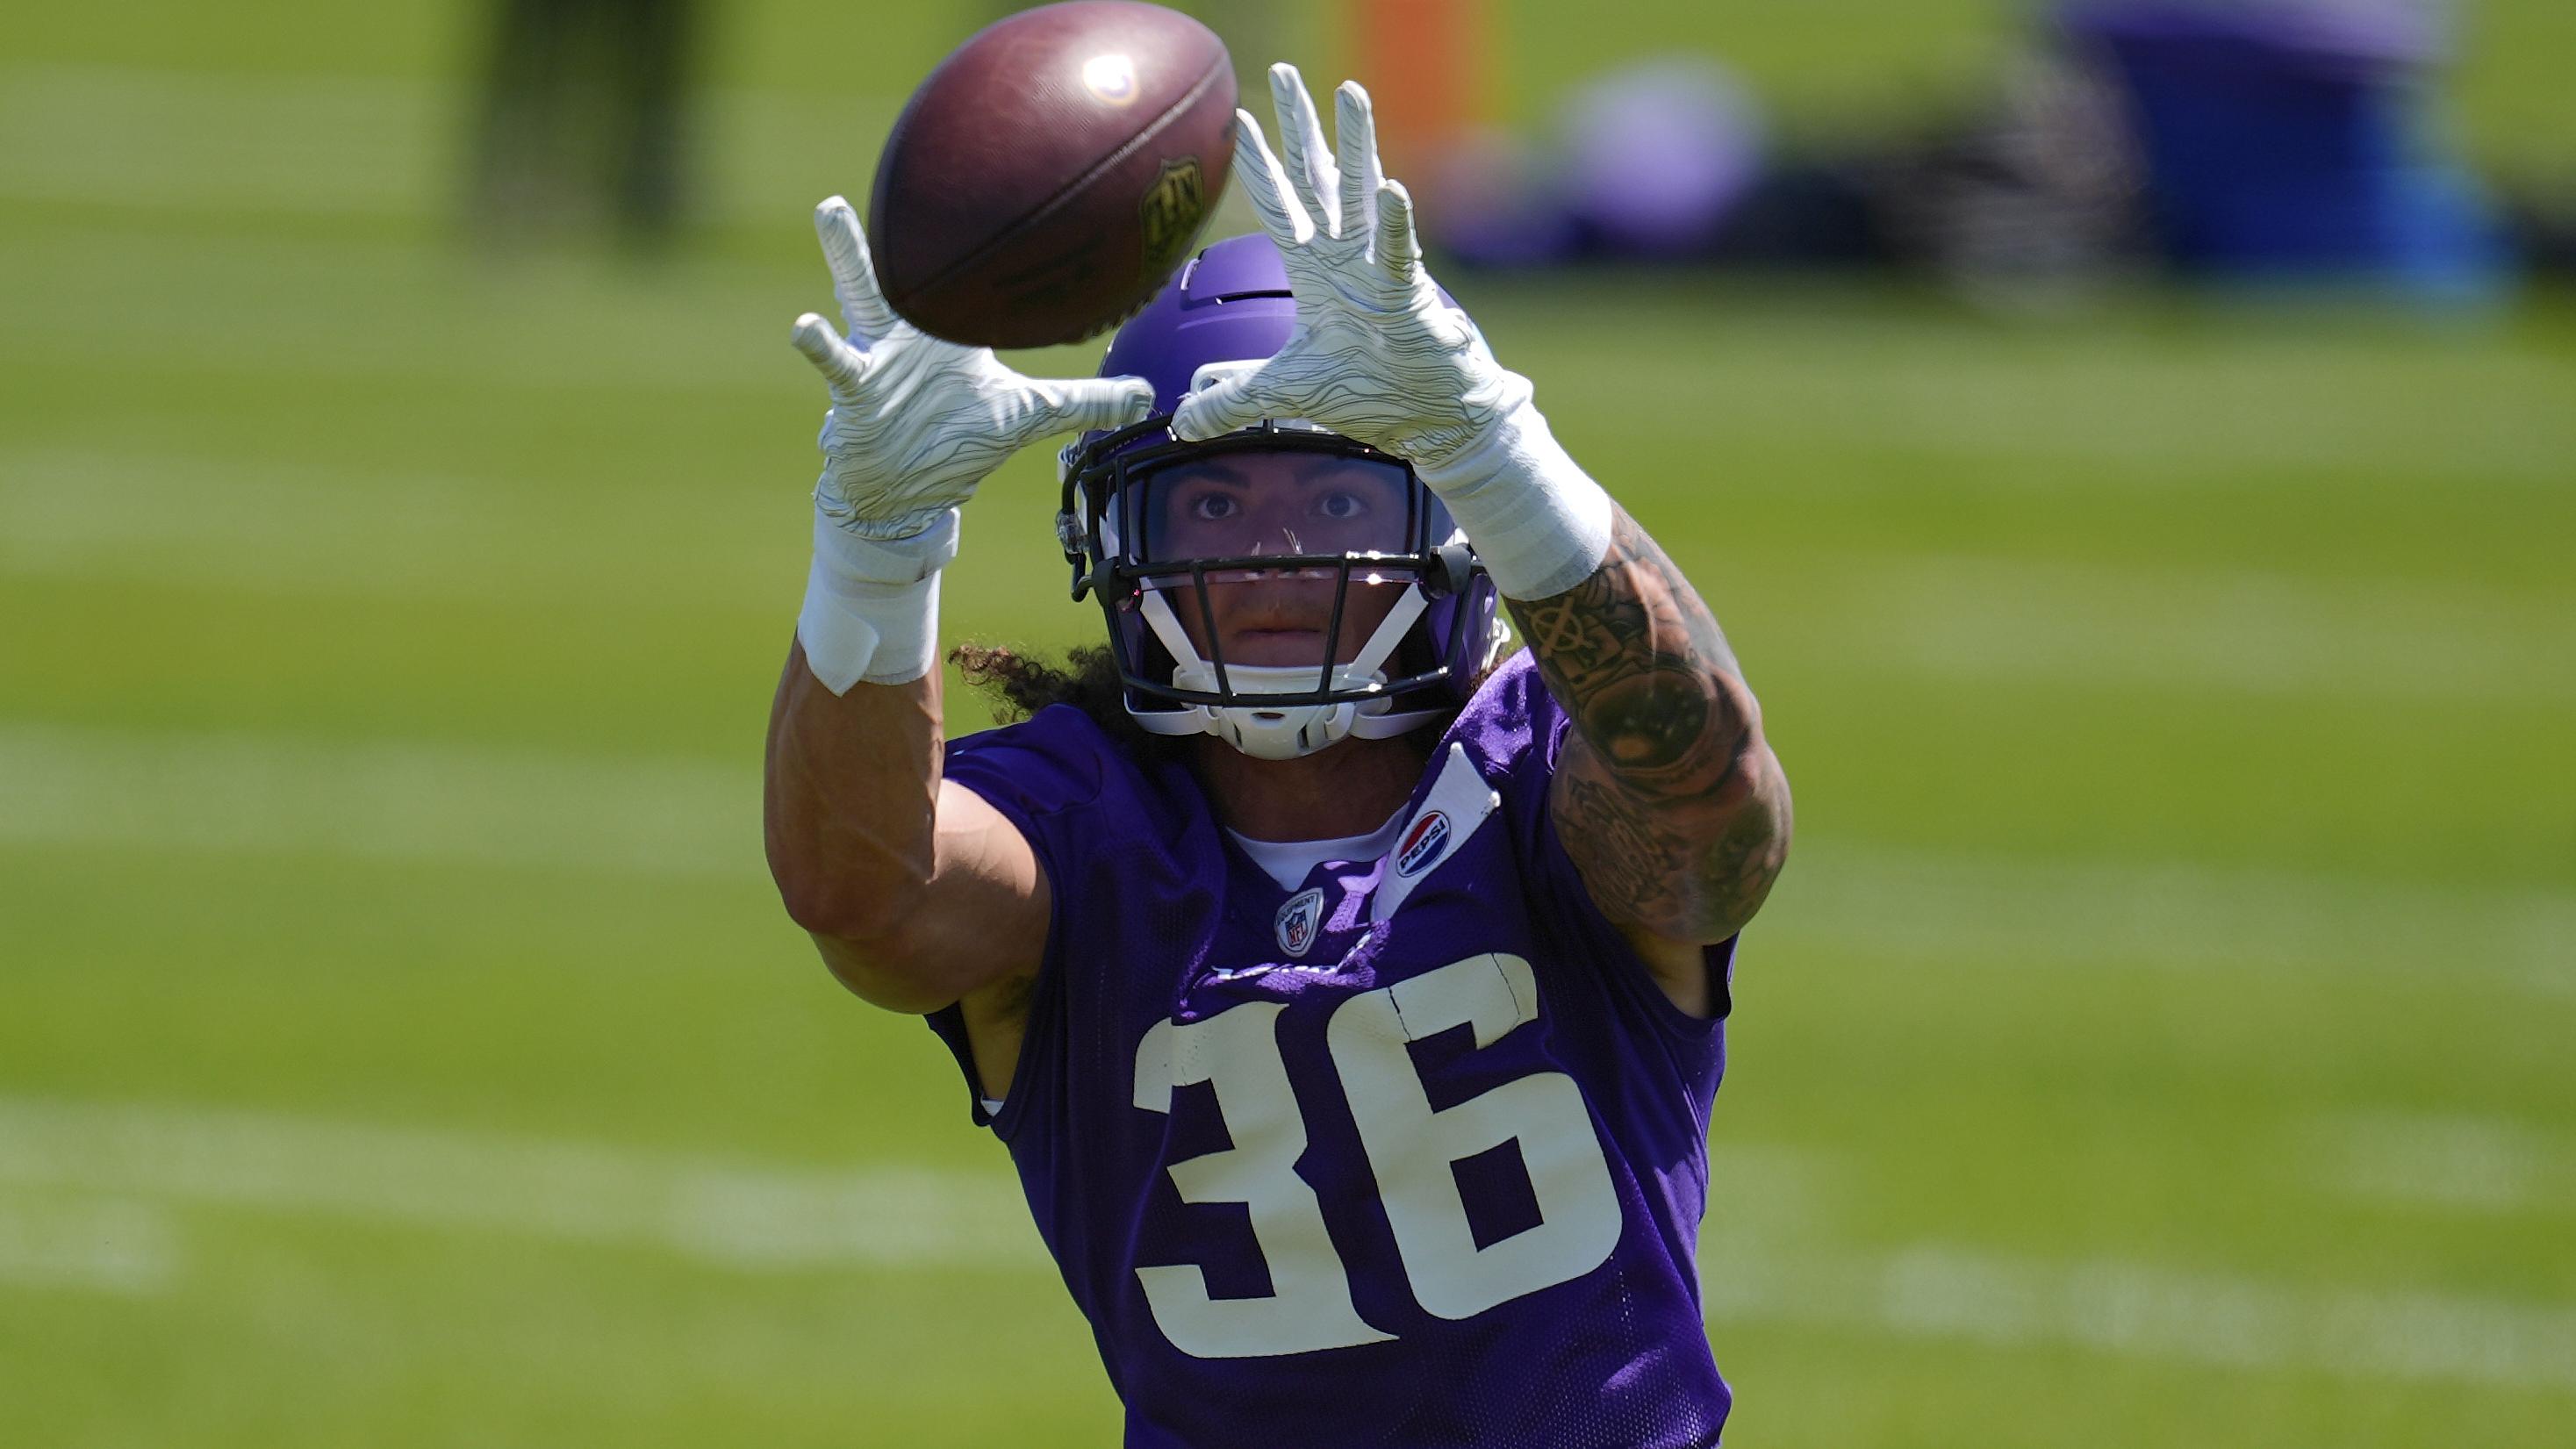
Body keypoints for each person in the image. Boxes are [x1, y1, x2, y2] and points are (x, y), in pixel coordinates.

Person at [764, 65, 1791, 1449]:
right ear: (1116, 545)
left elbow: (1715, 818)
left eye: (1338, 494)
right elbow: (866, 900)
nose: (1275, 555)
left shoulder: (1535, 766)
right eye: (1210, 500)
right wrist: (874, 552)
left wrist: (1503, 446)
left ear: (1451, 516)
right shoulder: (1083, 821)